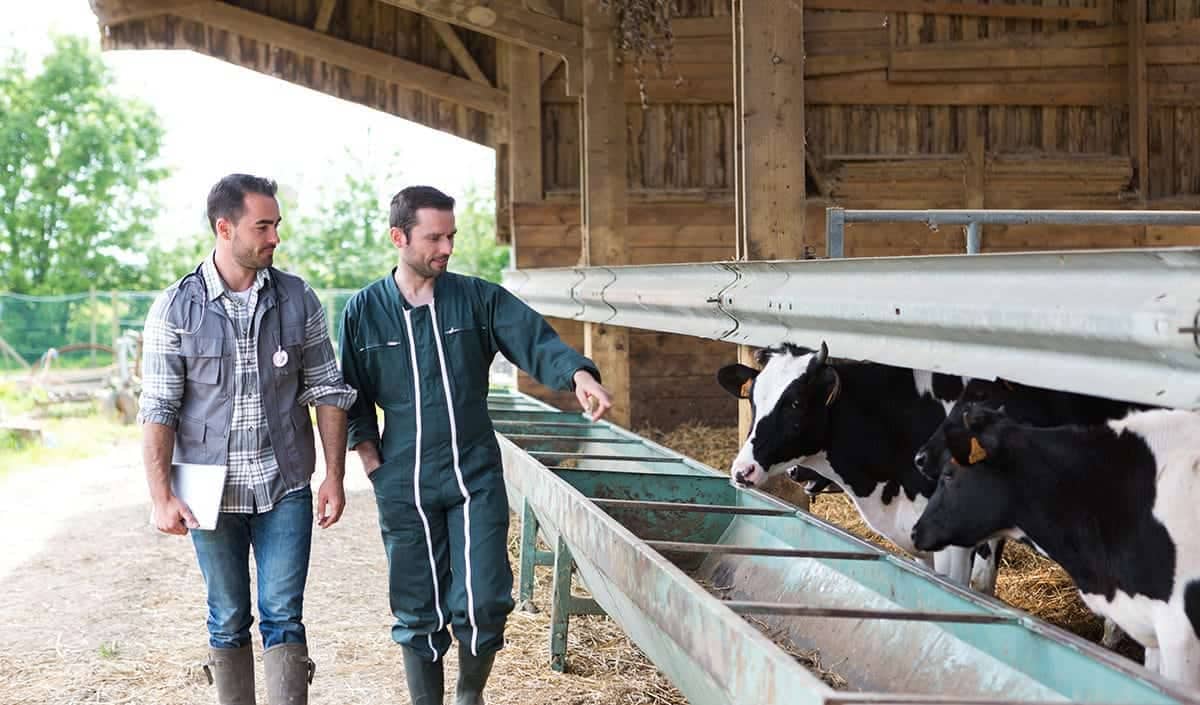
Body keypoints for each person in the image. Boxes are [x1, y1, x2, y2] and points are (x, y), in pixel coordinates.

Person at [339, 185, 612, 705]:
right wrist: (370, 457)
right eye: (434, 237)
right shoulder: (364, 311)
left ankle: (469, 695)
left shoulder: (478, 298)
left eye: (452, 237)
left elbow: (535, 339)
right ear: (399, 237)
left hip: (473, 473)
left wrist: (577, 374)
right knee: (418, 606)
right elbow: (350, 393)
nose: (446, 248)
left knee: (484, 598)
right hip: (404, 477)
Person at [138, 174, 357, 705]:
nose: (275, 237)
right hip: (206, 493)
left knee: (284, 615)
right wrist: (161, 495)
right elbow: (159, 406)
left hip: (283, 485)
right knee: (228, 616)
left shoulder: (298, 298)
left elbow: (328, 388)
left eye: (276, 225)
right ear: (224, 227)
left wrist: (334, 474)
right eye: (263, 226)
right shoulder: (175, 307)